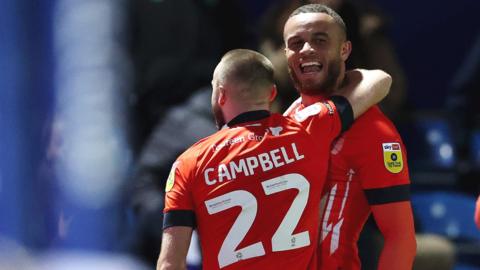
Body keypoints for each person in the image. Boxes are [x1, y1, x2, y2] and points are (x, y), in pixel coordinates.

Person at [156, 49, 391, 270]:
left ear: (221, 94)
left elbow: (170, 264)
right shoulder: (309, 129)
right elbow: (379, 81)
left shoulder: (188, 163)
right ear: (271, 93)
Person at [282, 4, 416, 270]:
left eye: (320, 40)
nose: (306, 49)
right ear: (285, 53)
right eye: (296, 43)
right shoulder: (285, 120)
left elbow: (400, 239)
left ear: (345, 50)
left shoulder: (374, 132)